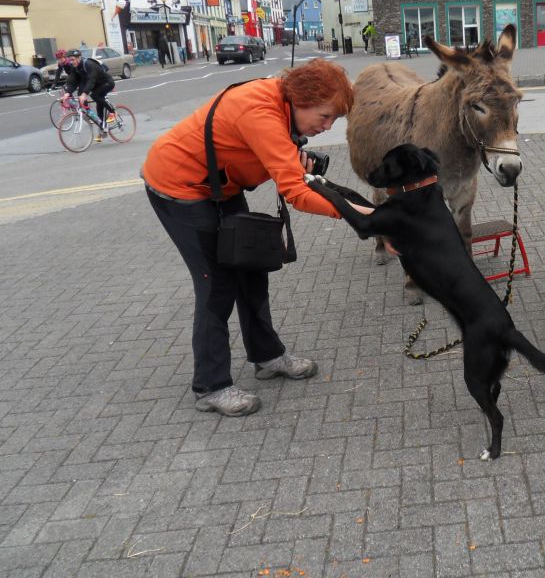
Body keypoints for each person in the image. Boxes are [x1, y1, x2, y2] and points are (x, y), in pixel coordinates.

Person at [142, 60, 373, 417]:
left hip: (221, 185)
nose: (325, 127)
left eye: (333, 121)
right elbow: (296, 193)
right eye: (325, 116)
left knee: (250, 267)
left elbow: (272, 159)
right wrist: (361, 216)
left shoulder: (282, 106)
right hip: (180, 186)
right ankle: (211, 386)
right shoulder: (260, 111)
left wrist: (295, 160)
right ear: (302, 99)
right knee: (216, 283)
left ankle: (267, 357)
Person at [62, 49, 116, 142]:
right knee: (98, 108)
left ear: (78, 58)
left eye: (72, 59)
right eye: (70, 60)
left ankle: (113, 112)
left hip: (106, 82)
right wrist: (67, 93)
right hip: (96, 86)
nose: (71, 62)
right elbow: (73, 82)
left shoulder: (89, 64)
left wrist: (84, 93)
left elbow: (91, 80)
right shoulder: (75, 68)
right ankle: (103, 130)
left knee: (95, 96)